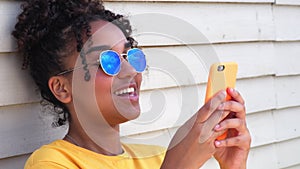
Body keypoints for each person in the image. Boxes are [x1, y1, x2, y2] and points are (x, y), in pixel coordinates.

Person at [12, 0, 251, 168]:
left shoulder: (156, 158)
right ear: (62, 88)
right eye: (108, 61)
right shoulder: (53, 163)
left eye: (130, 56)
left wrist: (233, 166)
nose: (130, 71)